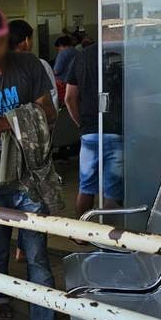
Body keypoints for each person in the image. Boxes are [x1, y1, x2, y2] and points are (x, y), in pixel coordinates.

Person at [0, 8, 64, 320]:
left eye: (1, 44)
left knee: (37, 257)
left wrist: (8, 121)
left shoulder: (28, 66)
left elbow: (49, 113)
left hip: (29, 180)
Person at [65, 43, 124, 215]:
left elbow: (70, 98)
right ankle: (109, 238)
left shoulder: (82, 56)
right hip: (116, 130)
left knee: (86, 187)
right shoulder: (123, 54)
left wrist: (82, 125)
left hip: (89, 133)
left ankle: (81, 234)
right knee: (113, 192)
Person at [9, 20, 59, 112]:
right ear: (27, 41)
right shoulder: (40, 64)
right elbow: (53, 97)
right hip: (37, 123)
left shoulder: (0, 68)